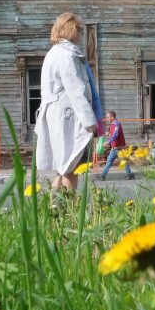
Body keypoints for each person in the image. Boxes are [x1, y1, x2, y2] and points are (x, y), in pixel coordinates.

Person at [34, 13, 103, 191]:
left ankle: (54, 208)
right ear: (71, 30)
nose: (80, 33)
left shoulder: (54, 53)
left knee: (64, 166)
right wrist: (90, 121)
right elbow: (76, 90)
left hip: (59, 114)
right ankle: (68, 210)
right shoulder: (66, 55)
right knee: (71, 166)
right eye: (79, 29)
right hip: (67, 116)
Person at [98, 111, 134, 180]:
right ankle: (103, 176)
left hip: (120, 148)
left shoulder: (117, 124)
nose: (107, 118)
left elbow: (115, 135)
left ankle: (129, 175)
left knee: (123, 161)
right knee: (109, 161)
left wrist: (108, 142)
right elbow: (111, 134)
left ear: (112, 117)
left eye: (108, 117)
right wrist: (105, 134)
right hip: (114, 148)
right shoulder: (111, 125)